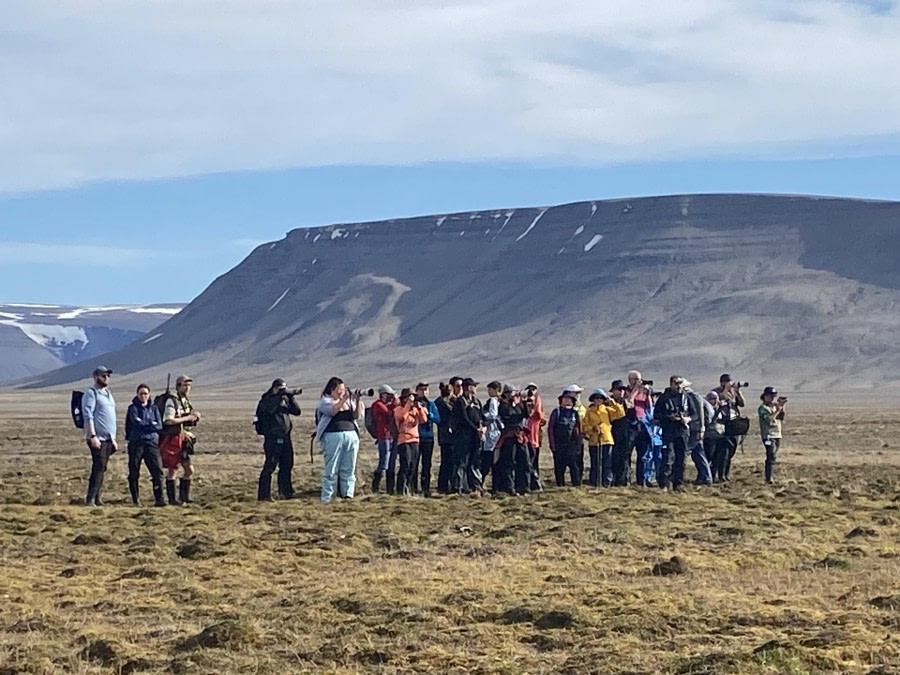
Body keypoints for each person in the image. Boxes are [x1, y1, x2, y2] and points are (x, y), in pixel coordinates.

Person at [315, 377, 364, 503]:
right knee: (331, 467)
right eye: (339, 390)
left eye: (343, 390)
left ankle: (348, 494)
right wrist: (344, 399)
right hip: (332, 436)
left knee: (349, 466)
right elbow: (332, 411)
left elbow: (356, 416)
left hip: (351, 435)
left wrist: (357, 400)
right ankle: (328, 497)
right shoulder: (325, 401)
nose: (342, 392)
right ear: (331, 390)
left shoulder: (349, 402)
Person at [255, 378, 302, 502]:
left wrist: (290, 397)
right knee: (270, 465)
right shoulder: (266, 400)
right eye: (281, 389)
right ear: (275, 388)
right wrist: (279, 396)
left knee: (287, 464)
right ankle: (264, 495)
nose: (284, 391)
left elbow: (297, 411)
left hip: (286, 437)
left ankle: (286, 492)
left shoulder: (284, 400)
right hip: (272, 438)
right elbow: (268, 410)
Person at [160, 375, 201, 505]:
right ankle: (172, 499)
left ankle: (184, 497)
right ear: (178, 386)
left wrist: (194, 418)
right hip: (173, 439)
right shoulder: (172, 401)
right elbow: (168, 420)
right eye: (185, 385)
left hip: (184, 440)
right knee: (173, 468)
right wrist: (188, 418)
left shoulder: (185, 401)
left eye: (189, 385)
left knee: (189, 470)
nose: (188, 387)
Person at [653, 375, 697, 491]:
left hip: (682, 431)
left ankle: (678, 484)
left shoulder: (686, 397)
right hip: (668, 431)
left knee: (681, 459)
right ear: (671, 384)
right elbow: (656, 415)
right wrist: (668, 417)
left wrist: (688, 419)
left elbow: (694, 413)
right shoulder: (664, 398)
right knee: (668, 458)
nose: (678, 386)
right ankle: (664, 484)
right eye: (676, 383)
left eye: (680, 383)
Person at [82, 366, 117, 507]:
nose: (106, 378)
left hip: (108, 438)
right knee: (98, 466)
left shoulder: (108, 393)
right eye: (103, 375)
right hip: (97, 438)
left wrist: (113, 438)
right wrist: (92, 435)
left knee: (102, 467)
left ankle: (97, 497)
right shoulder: (91, 393)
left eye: (108, 375)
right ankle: (90, 498)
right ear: (96, 376)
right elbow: (88, 415)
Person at [124, 383, 165, 507]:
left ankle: (159, 499)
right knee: (134, 471)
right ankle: (135, 499)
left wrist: (147, 424)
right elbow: (136, 422)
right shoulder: (133, 408)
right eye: (141, 394)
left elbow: (159, 425)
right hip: (136, 443)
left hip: (151, 443)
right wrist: (150, 424)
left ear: (149, 395)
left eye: (146, 394)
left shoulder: (154, 409)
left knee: (157, 471)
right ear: (137, 394)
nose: (143, 396)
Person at [494, 384, 533, 495]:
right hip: (509, 436)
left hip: (520, 436)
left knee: (525, 461)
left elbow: (526, 415)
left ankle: (524, 486)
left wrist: (524, 402)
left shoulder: (519, 404)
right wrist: (511, 402)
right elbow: (508, 415)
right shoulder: (503, 405)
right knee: (509, 462)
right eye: (514, 392)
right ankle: (509, 487)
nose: (516, 394)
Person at [583, 388, 624, 488]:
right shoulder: (589, 411)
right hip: (594, 441)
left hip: (607, 439)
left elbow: (621, 414)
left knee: (607, 463)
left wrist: (613, 403)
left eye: (600, 398)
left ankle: (606, 482)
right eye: (596, 398)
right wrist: (593, 428)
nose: (598, 400)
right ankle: (595, 482)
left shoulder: (607, 410)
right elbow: (584, 426)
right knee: (595, 463)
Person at [451, 377, 486, 494]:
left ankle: (473, 486)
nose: (476, 388)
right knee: (462, 462)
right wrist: (476, 429)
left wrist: (484, 427)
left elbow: (482, 417)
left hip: (475, 437)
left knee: (474, 461)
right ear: (468, 387)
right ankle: (458, 487)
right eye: (474, 386)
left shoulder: (476, 402)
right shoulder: (460, 401)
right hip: (463, 437)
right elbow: (464, 418)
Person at [393, 388, 429, 496]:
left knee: (413, 466)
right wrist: (408, 404)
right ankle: (400, 489)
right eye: (410, 397)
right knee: (406, 464)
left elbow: (424, 420)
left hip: (415, 440)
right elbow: (402, 417)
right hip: (404, 440)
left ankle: (408, 487)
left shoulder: (415, 409)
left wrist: (420, 408)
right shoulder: (398, 409)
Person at [713, 374, 746, 480]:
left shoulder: (733, 392)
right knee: (723, 451)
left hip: (733, 424)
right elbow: (717, 401)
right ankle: (720, 475)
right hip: (722, 424)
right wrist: (726, 390)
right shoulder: (716, 392)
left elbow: (742, 404)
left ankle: (726, 474)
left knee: (731, 451)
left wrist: (738, 392)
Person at [548, 391, 584, 487]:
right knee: (559, 467)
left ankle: (576, 484)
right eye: (565, 399)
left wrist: (578, 445)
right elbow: (550, 428)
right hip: (559, 445)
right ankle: (560, 485)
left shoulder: (575, 413)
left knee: (574, 466)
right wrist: (552, 444)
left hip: (571, 445)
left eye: (569, 399)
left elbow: (579, 429)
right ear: (561, 401)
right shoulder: (556, 412)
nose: (567, 401)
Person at [411, 382, 440, 497]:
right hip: (416, 437)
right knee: (414, 463)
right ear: (417, 391)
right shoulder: (413, 404)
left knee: (427, 464)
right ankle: (413, 487)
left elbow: (438, 419)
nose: (424, 391)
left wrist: (430, 415)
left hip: (428, 437)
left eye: (426, 389)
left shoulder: (431, 404)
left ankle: (425, 488)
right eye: (421, 389)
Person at [626, 371, 653, 483]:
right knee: (627, 453)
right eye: (635, 379)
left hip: (643, 424)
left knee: (643, 454)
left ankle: (642, 480)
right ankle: (626, 478)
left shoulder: (644, 392)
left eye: (640, 379)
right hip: (631, 424)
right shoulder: (625, 391)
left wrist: (648, 394)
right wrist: (636, 389)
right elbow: (628, 403)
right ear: (630, 380)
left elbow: (649, 407)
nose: (638, 381)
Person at [370, 385, 397, 494]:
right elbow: (389, 413)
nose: (391, 398)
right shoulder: (377, 405)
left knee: (391, 462)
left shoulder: (385, 405)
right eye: (389, 395)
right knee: (384, 461)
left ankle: (389, 488)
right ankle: (375, 486)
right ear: (383, 394)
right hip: (383, 436)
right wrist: (395, 404)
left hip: (391, 436)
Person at [609, 380, 636, 486]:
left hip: (626, 434)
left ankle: (624, 479)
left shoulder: (627, 403)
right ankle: (614, 478)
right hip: (613, 433)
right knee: (614, 457)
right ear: (613, 391)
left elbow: (632, 418)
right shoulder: (608, 403)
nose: (621, 392)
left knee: (625, 457)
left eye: (622, 390)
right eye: (618, 390)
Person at [758, 386, 787, 484]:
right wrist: (777, 410)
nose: (772, 399)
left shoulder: (774, 407)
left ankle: (769, 476)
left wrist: (781, 407)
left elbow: (781, 418)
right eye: (771, 396)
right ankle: (768, 477)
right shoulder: (762, 408)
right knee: (771, 455)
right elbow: (769, 420)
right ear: (765, 396)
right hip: (768, 435)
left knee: (773, 456)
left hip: (777, 435)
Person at [686, 385, 714, 485]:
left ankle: (705, 477)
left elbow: (698, 414)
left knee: (685, 451)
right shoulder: (697, 397)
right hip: (698, 429)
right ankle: (706, 477)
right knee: (699, 453)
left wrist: (700, 428)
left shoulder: (692, 396)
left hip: (694, 429)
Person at [704, 391, 731, 483]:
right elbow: (709, 421)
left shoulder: (721, 409)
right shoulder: (706, 409)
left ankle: (717, 476)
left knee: (718, 458)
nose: (714, 401)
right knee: (709, 457)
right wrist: (718, 410)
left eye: (716, 398)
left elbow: (726, 419)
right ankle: (707, 475)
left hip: (721, 435)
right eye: (712, 398)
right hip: (710, 436)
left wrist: (725, 408)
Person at [481, 381, 503, 488]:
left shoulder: (493, 401)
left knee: (487, 460)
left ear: (496, 390)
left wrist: (483, 415)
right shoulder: (501, 401)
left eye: (490, 389)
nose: (489, 392)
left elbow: (493, 414)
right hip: (497, 433)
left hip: (492, 433)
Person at [435, 382, 456, 494]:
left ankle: (445, 485)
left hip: (446, 436)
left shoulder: (442, 402)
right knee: (447, 462)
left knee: (448, 462)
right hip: (446, 436)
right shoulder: (442, 403)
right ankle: (443, 486)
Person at [562, 384, 587, 478]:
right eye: (576, 393)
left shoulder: (582, 408)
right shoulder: (564, 408)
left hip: (578, 439)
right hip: (566, 439)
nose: (578, 395)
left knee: (578, 460)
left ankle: (578, 479)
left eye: (578, 393)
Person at [524, 383, 544, 490]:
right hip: (525, 440)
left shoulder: (536, 415)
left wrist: (535, 400)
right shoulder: (524, 410)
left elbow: (539, 414)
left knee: (533, 463)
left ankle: (534, 483)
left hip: (533, 439)